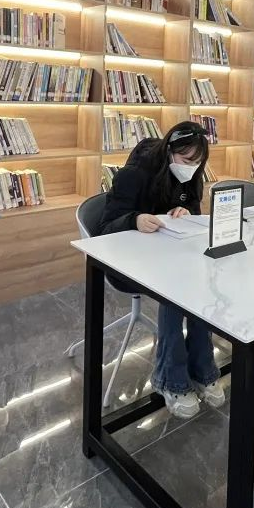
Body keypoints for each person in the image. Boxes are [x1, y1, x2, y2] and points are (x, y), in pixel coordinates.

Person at [96, 120, 225, 419]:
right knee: (177, 289)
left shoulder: (192, 174)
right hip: (127, 260)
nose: (191, 167)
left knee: (202, 280)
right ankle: (171, 379)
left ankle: (203, 370)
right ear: (169, 151)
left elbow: (194, 210)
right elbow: (104, 227)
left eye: (197, 162)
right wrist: (135, 219)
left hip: (169, 254)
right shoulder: (133, 175)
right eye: (185, 160)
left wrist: (186, 212)